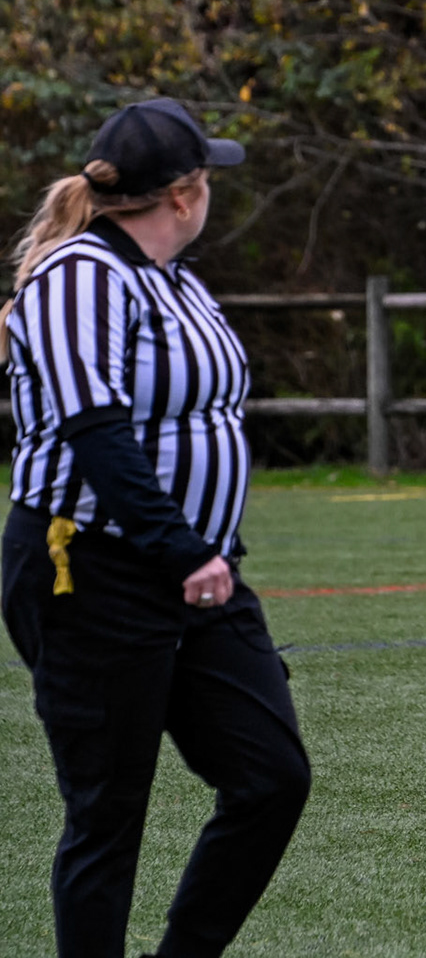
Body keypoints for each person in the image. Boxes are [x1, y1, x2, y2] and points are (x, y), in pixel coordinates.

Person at [1, 99, 311, 955]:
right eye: (209, 178)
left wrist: (203, 554)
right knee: (107, 812)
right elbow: (94, 428)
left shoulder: (175, 278)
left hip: (200, 573)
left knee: (271, 777)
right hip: (89, 568)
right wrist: (180, 549)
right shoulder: (78, 277)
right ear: (183, 193)